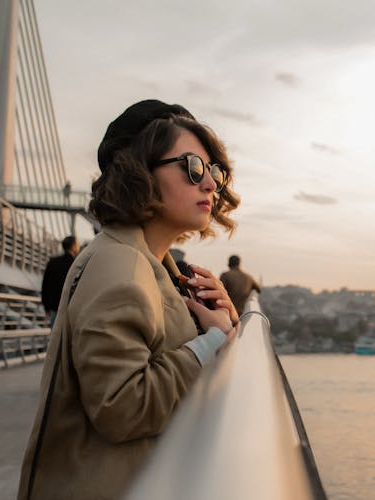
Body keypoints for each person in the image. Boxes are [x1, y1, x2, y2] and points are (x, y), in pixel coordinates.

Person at [18, 99, 241, 500]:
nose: (210, 184)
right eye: (192, 168)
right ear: (141, 172)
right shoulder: (119, 264)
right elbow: (121, 407)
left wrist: (225, 320)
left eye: (215, 173)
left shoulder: (157, 267)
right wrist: (209, 342)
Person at [40, 235, 79, 327]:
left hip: (54, 308)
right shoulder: (76, 264)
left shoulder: (52, 262)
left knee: (55, 338)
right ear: (73, 247)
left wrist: (46, 306)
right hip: (70, 310)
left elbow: (45, 285)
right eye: (77, 244)